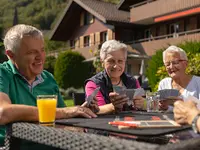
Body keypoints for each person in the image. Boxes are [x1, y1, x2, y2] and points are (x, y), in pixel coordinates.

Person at [0, 24, 98, 149]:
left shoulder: (48, 78)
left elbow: (61, 117)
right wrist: (63, 112)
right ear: (11, 55)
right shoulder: (3, 73)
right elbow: (3, 113)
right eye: (31, 52)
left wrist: (79, 111)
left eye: (42, 50)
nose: (40, 57)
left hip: (50, 143)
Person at [85, 40, 145, 114]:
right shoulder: (93, 84)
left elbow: (140, 106)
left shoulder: (133, 81)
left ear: (125, 62)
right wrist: (113, 107)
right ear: (102, 62)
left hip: (131, 122)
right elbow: (96, 109)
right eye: (111, 61)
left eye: (120, 61)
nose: (116, 66)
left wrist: (140, 104)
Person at [158, 45, 200, 110]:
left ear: (186, 64)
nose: (171, 67)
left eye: (175, 62)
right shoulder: (164, 84)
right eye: (167, 64)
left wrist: (182, 104)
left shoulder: (198, 83)